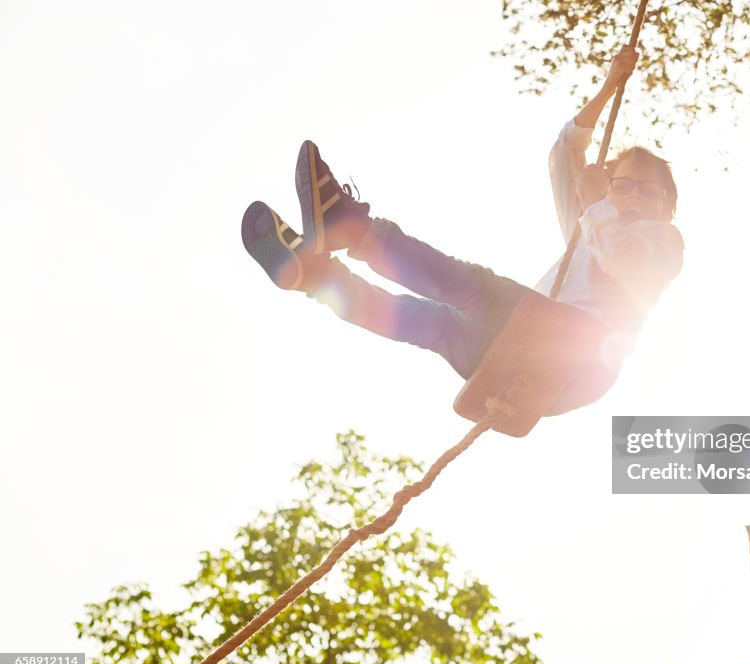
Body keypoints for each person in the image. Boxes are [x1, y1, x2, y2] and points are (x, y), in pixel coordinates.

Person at [241, 45, 684, 415]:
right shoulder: (589, 225)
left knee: (476, 288)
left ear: (666, 207)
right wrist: (608, 87)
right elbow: (566, 151)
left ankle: (350, 229)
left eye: (647, 191)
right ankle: (319, 279)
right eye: (622, 185)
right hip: (520, 350)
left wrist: (595, 204)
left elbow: (625, 261)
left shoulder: (662, 241)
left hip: (581, 359)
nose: (630, 197)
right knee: (434, 325)